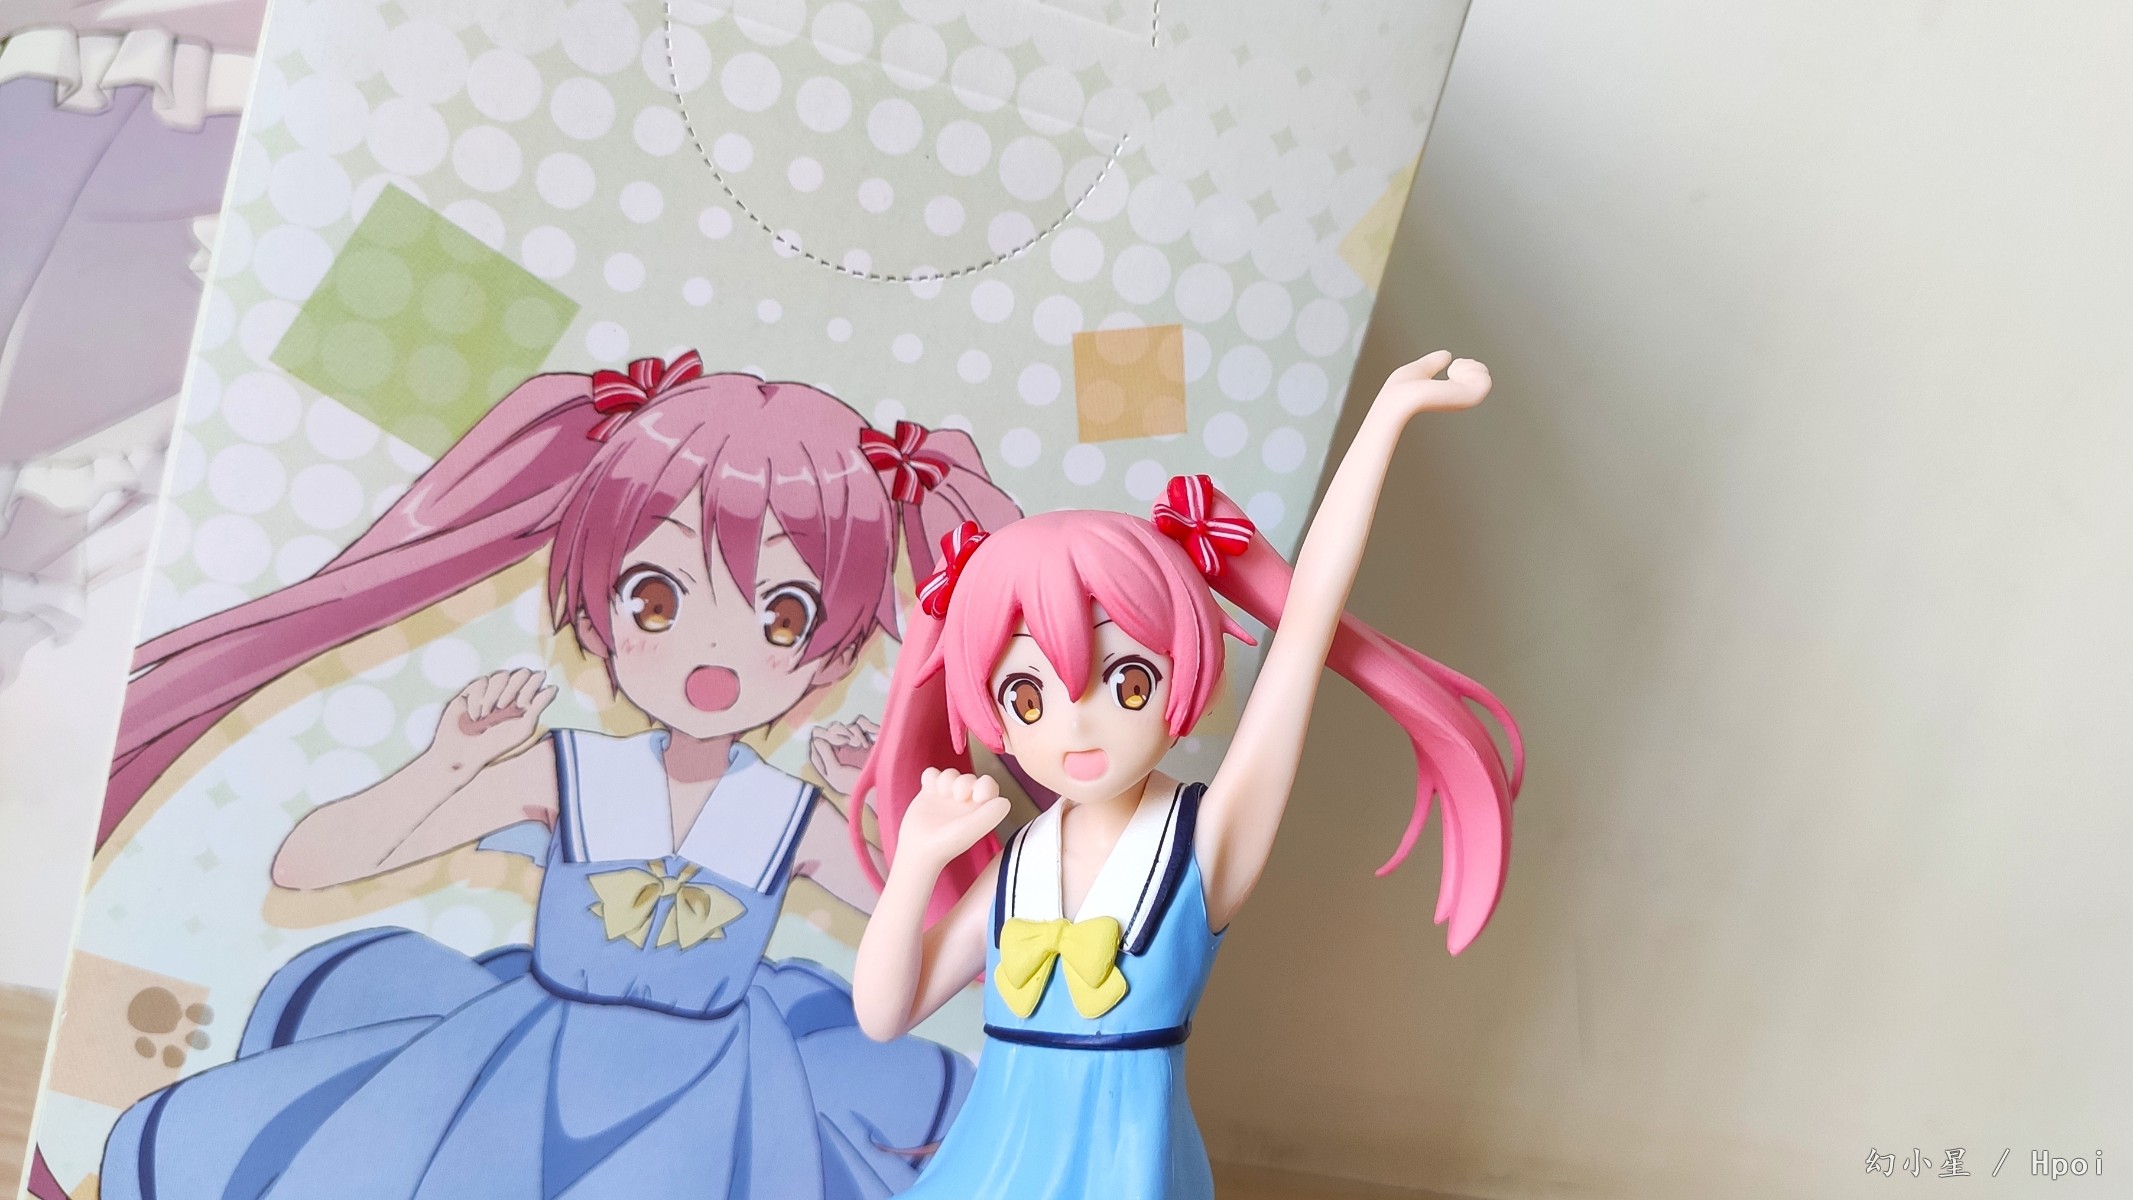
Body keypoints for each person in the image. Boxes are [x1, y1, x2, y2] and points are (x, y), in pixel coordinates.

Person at [95, 354, 1020, 1199]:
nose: (712, 649)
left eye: (782, 615)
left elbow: (964, 952)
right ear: (596, 607)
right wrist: (446, 764)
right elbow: (308, 864)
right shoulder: (568, 772)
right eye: (655, 598)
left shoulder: (791, 817)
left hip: (721, 1101)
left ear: (834, 652)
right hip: (526, 1074)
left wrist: (889, 824)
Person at [848, 352, 1523, 1198]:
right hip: (994, 1163)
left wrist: (1384, 420)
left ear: (1181, 669)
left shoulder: (1203, 844)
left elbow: (1307, 619)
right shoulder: (1018, 867)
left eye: (1126, 681)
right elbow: (884, 1015)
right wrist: (915, 859)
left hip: (1127, 1165)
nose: (1076, 724)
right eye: (1027, 695)